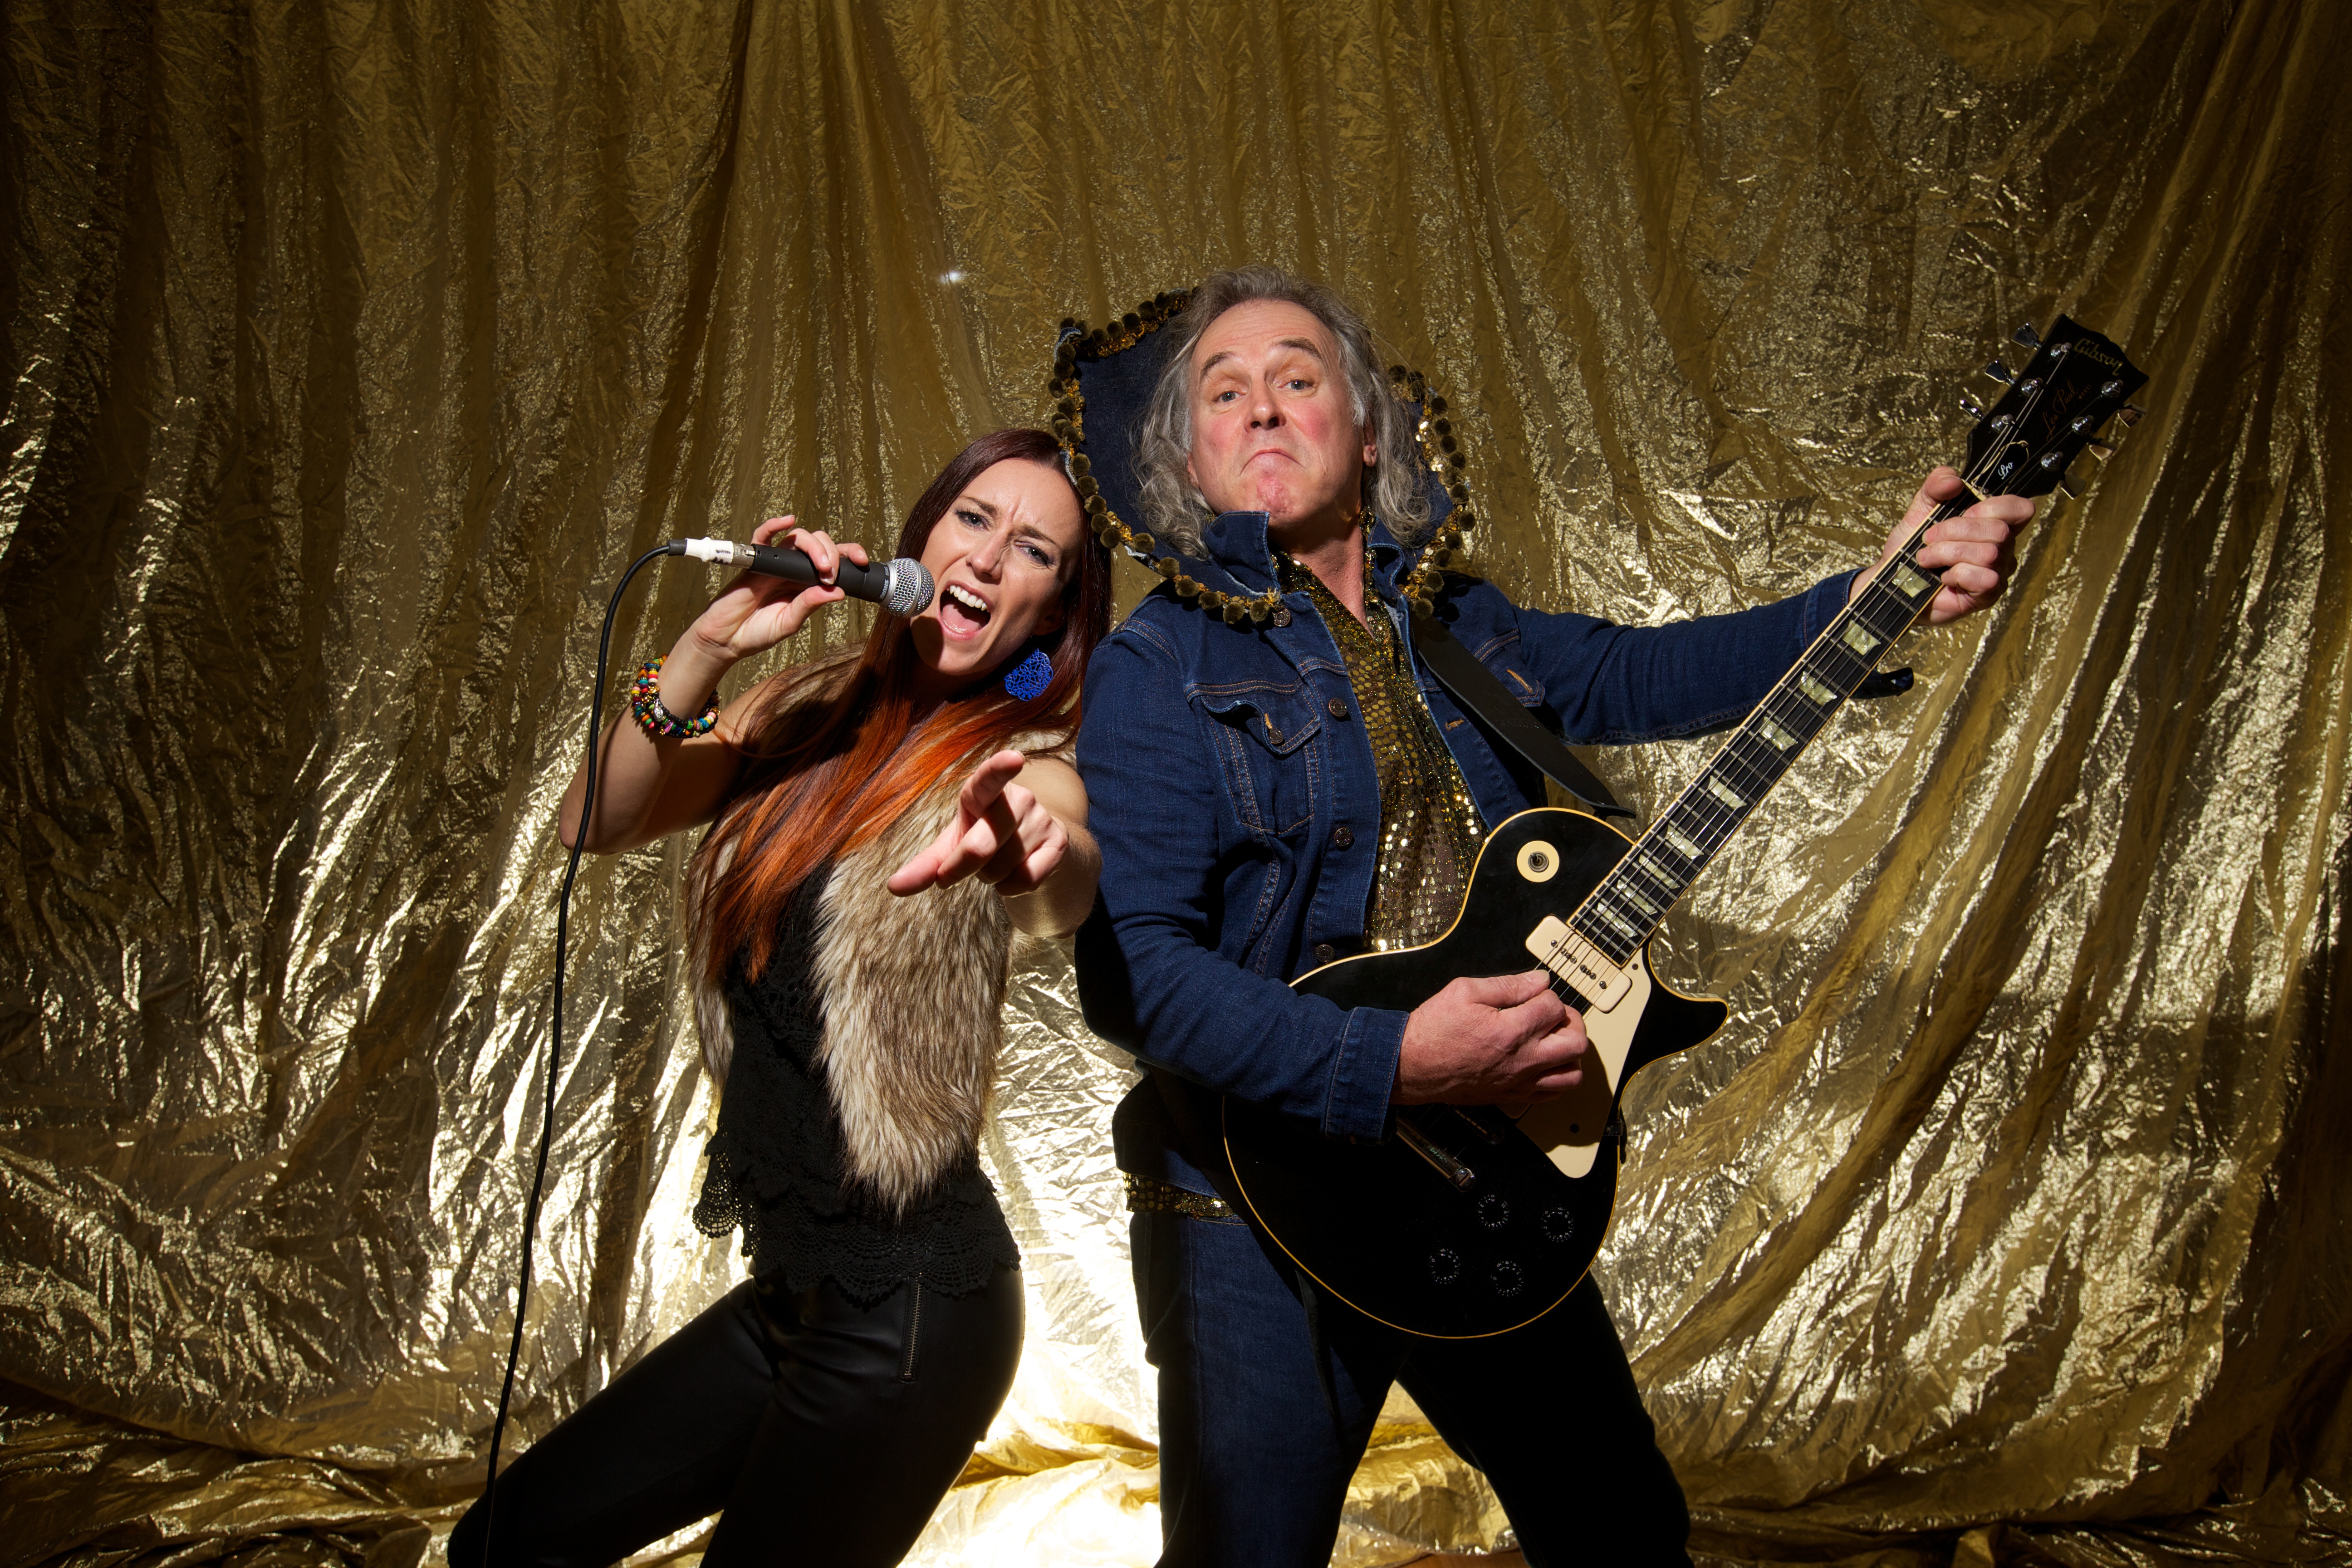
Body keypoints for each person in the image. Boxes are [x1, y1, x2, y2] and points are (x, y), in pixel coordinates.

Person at [1072, 267, 2035, 1566]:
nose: (1260, 409)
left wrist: (1873, 598)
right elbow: (1150, 980)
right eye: (1223, 392)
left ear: (1367, 428)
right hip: (1251, 1202)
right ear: (1189, 452)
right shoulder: (1159, 665)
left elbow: (1650, 671)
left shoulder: (1463, 623)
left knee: (1620, 1527)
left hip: (1478, 1169)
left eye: (1296, 379)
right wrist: (1394, 1061)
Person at [451, 427, 1112, 1568]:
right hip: (794, 1294)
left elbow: (1061, 880)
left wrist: (1032, 853)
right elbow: (595, 823)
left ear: (1052, 613)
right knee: (503, 1546)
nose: (993, 559)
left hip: (915, 1312)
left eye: (1036, 550)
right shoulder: (797, 710)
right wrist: (711, 642)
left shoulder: (1027, 756)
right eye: (973, 520)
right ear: (920, 542)